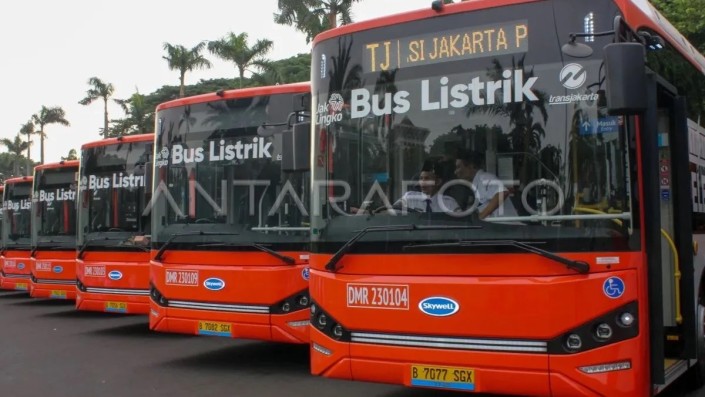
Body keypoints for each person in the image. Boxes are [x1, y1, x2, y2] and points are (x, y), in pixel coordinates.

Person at [454, 149, 517, 219]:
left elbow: (502, 193)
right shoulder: (474, 185)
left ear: (471, 166)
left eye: (458, 167)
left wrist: (481, 216)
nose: (455, 172)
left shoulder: (485, 178)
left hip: (508, 227)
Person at [392, 160, 459, 213]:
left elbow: (461, 223)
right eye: (421, 178)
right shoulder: (409, 198)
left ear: (438, 182)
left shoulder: (449, 203)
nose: (423, 182)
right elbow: (390, 212)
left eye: (427, 178)